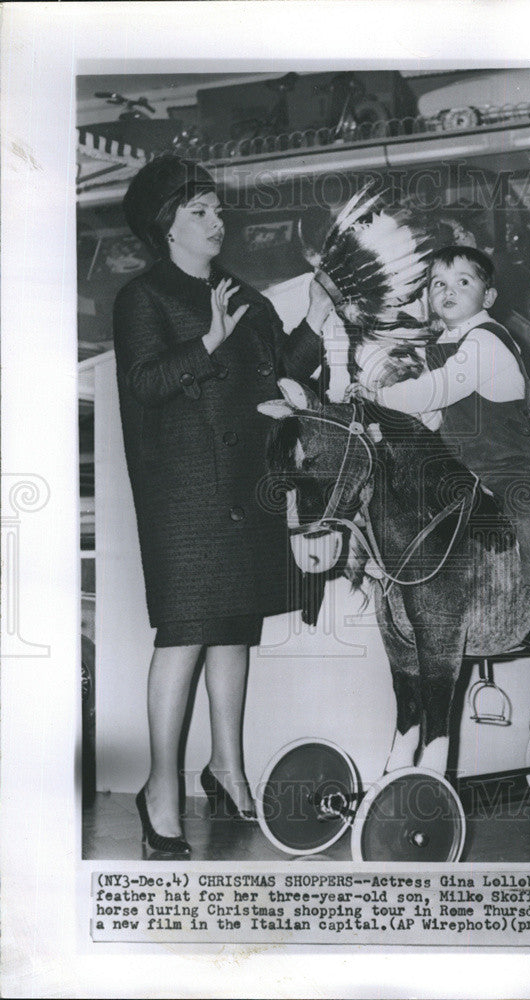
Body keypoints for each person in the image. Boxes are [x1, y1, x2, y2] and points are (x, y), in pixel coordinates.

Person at [113, 155, 332, 855]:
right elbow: (146, 383)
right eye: (200, 211)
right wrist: (207, 339)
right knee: (185, 631)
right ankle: (160, 790)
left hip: (247, 480)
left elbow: (281, 372)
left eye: (216, 208)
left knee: (235, 628)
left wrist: (318, 325)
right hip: (181, 489)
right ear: (166, 226)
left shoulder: (245, 293)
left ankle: (228, 767)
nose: (217, 220)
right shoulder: (143, 297)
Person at [363, 245, 530, 679]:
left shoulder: (486, 342)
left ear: (487, 297)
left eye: (462, 282)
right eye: (438, 284)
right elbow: (432, 414)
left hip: (510, 465)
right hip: (459, 465)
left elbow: (438, 390)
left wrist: (378, 399)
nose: (447, 291)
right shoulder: (443, 345)